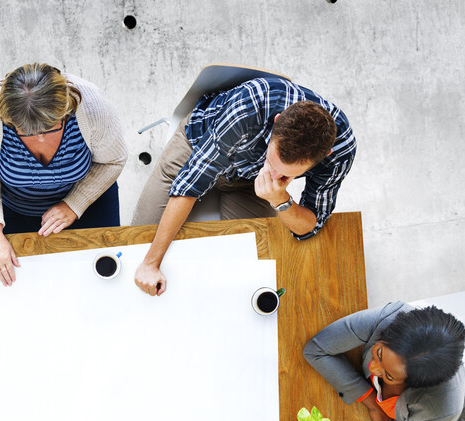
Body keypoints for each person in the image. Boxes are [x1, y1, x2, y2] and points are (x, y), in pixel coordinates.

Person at [131, 76, 356, 296]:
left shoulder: (341, 151)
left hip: (247, 180)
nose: (274, 175)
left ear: (326, 155)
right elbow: (190, 185)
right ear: (277, 121)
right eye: (272, 162)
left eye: (286, 175)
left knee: (256, 274)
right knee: (138, 249)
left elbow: (308, 226)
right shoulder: (251, 103)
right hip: (198, 146)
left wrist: (280, 199)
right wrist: (151, 263)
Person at [0, 63, 127, 286]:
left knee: (97, 281)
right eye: (26, 132)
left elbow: (112, 161)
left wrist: (74, 204)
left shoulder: (93, 106)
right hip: (9, 208)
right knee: (4, 285)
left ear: (66, 111)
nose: (39, 139)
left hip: (87, 201)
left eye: (50, 128)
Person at [303, 302, 465, 421]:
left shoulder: (440, 413)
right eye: (379, 353)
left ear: (413, 384)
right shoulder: (390, 316)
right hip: (393, 407)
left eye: (389, 375)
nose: (373, 368)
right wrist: (372, 404)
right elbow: (315, 350)